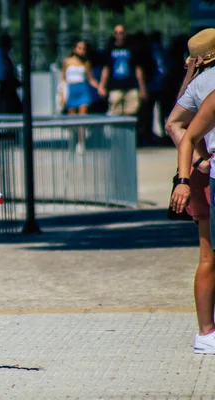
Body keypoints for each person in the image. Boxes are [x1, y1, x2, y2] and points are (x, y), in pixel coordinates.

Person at [168, 28, 215, 354]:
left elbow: (173, 123)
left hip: (202, 173)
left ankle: (206, 332)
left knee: (207, 255)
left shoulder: (197, 83)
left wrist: (197, 164)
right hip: (205, 174)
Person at [98, 25, 148, 135]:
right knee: (115, 112)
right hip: (115, 86)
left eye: (121, 33)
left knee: (132, 111)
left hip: (131, 85)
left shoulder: (133, 48)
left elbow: (138, 69)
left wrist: (142, 88)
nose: (119, 35)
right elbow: (106, 69)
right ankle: (117, 137)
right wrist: (102, 85)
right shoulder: (110, 49)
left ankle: (128, 137)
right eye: (117, 33)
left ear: (126, 34)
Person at [58, 40, 100, 154]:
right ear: (75, 49)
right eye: (79, 48)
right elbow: (63, 78)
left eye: (83, 49)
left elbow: (90, 79)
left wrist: (99, 87)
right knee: (73, 119)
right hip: (72, 90)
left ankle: (81, 143)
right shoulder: (67, 62)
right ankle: (73, 140)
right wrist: (62, 94)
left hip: (82, 90)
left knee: (82, 118)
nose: (81, 51)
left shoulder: (86, 63)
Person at [0, 32, 23, 114]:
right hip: (6, 89)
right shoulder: (2, 55)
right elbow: (5, 74)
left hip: (5, 88)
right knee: (14, 110)